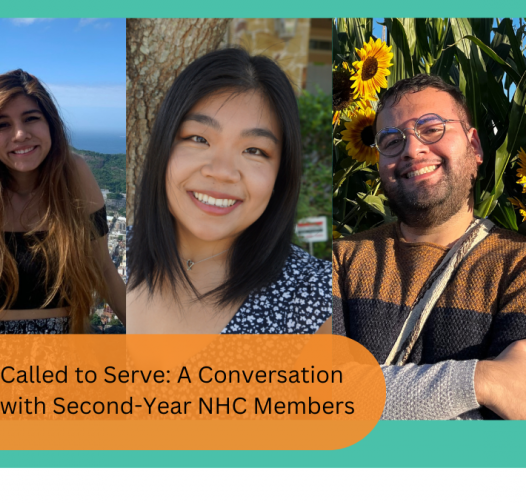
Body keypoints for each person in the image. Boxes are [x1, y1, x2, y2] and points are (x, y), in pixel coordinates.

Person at [333, 73, 526, 420]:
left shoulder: (518, 265)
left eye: (432, 128)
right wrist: (480, 381)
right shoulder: (339, 260)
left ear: (475, 147)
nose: (412, 148)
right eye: (391, 139)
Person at [127, 48, 331, 334]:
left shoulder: (313, 298)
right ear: (163, 148)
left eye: (254, 150)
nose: (222, 171)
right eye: (199, 138)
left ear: (280, 176)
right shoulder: (121, 254)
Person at [0, 70, 126, 334]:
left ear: (51, 125)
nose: (20, 134)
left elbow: (103, 268)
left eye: (31, 119)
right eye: (2, 124)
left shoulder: (73, 174)